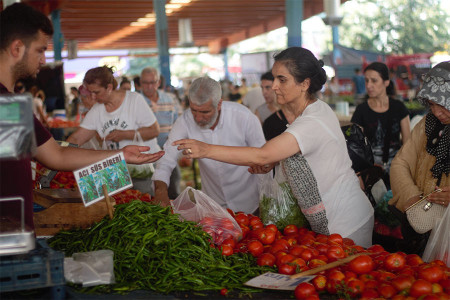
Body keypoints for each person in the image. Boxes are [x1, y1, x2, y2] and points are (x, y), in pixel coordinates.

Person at [174, 48, 374, 247]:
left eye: (282, 80)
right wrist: (276, 163)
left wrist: (206, 150)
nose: (274, 86)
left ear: (304, 84)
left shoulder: (312, 120)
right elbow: (304, 156)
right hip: (329, 221)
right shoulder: (311, 111)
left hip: (347, 222)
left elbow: (262, 154)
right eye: (274, 78)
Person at [0, 2, 164, 231]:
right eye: (40, 49)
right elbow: (64, 150)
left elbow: (57, 156)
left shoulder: (14, 106)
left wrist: (120, 154)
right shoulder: (7, 106)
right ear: (17, 48)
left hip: (14, 233)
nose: (44, 60)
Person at [152, 76, 266, 214]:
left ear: (219, 104)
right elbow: (167, 159)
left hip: (251, 203)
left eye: (205, 112)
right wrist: (160, 191)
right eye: (194, 110)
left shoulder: (244, 117)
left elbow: (263, 159)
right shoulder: (184, 121)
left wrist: (266, 200)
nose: (198, 118)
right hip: (213, 206)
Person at [67, 66, 162, 195]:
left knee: (141, 205)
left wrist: (125, 134)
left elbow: (154, 130)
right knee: (108, 205)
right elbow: (77, 139)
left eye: (97, 92)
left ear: (109, 88)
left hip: (139, 169)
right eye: (90, 93)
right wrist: (59, 154)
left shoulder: (133, 100)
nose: (93, 97)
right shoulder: (97, 110)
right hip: (115, 171)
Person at [389, 61, 450, 255]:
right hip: (420, 224)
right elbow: (401, 162)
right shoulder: (427, 124)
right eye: (432, 104)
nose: (436, 112)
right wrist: (412, 198)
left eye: (443, 105)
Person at [351, 62, 411, 189]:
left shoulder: (399, 107)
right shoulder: (361, 110)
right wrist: (359, 176)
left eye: (374, 81)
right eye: (366, 81)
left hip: (397, 171)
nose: (369, 85)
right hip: (371, 174)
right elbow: (355, 147)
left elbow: (408, 144)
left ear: (386, 82)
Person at [140, 67, 182, 199]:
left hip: (168, 153)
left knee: (173, 191)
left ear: (158, 83)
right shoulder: (135, 102)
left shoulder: (171, 99)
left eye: (153, 82)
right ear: (140, 83)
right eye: (146, 83)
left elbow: (180, 124)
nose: (149, 86)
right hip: (144, 157)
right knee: (147, 195)